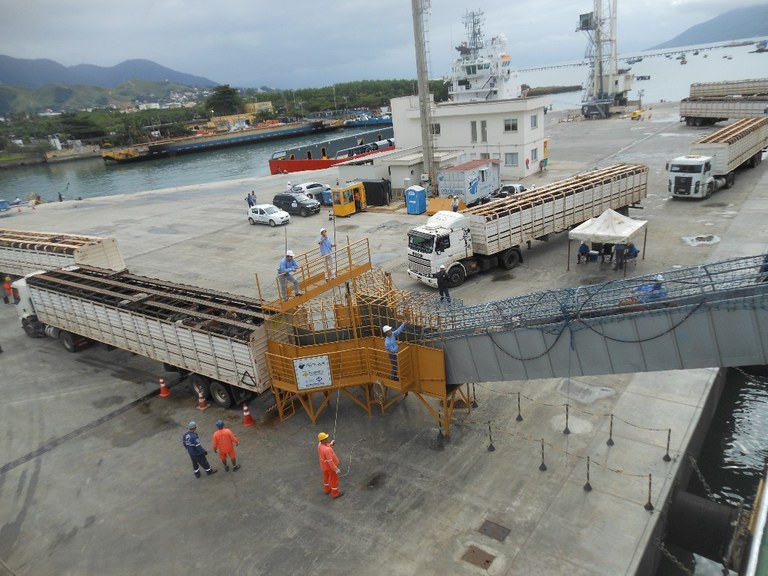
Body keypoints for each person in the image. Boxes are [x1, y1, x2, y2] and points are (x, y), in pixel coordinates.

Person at [317, 432, 342, 498]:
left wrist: (330, 444)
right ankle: (335, 494)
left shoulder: (319, 444)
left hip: (324, 466)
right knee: (334, 479)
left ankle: (327, 489)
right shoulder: (327, 450)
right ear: (323, 440)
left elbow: (325, 446)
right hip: (330, 468)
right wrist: (335, 469)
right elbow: (330, 462)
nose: (327, 438)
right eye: (326, 438)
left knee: (326, 477)